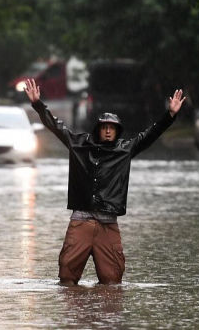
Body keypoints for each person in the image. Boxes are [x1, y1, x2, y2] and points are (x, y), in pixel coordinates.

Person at [23, 78, 187, 285]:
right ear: (98, 129)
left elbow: (150, 135)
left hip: (108, 224)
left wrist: (170, 115)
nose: (108, 131)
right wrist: (38, 104)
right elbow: (57, 127)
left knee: (112, 282)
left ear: (118, 130)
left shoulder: (125, 149)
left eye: (112, 127)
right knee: (67, 278)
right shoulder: (79, 144)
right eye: (104, 127)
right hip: (81, 220)